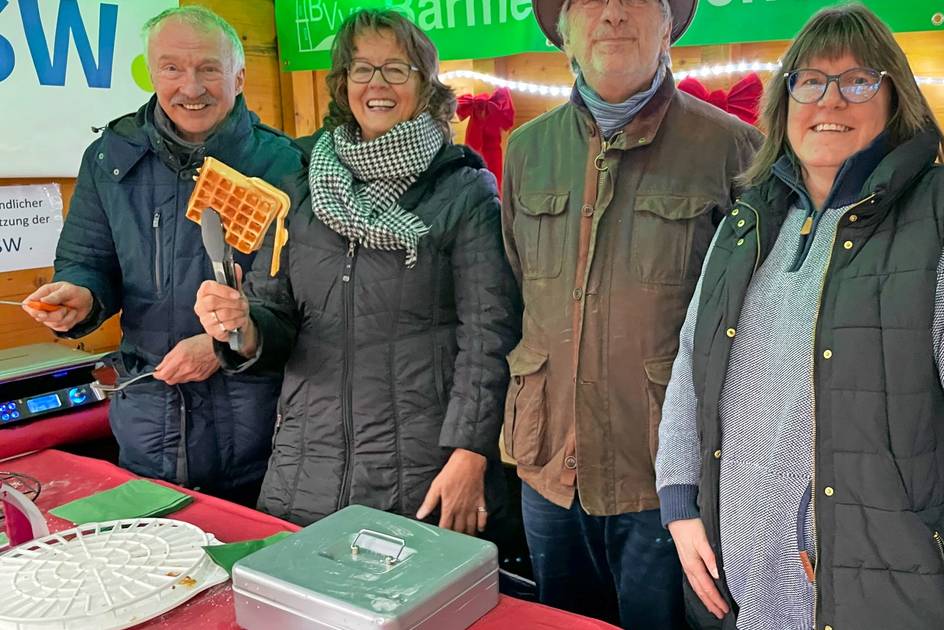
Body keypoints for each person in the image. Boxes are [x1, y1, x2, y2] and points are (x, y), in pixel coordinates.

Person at [656, 5, 944, 629]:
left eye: (858, 81)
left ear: (896, 99)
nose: (831, 100)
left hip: (884, 597)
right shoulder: (749, 222)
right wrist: (681, 500)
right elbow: (694, 361)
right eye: (810, 81)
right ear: (783, 101)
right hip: (742, 590)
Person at [193, 8, 519, 532]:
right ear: (343, 84)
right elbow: (275, 311)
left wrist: (470, 453)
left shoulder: (462, 191)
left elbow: (489, 338)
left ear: (425, 84)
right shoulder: (303, 185)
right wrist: (243, 327)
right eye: (361, 69)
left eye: (397, 69)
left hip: (421, 474)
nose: (377, 84)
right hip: (304, 471)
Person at [500, 0, 760, 625]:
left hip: (664, 477)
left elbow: (754, 323)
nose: (613, 12)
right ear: (564, 35)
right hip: (548, 465)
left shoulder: (734, 149)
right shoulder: (525, 151)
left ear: (668, 26)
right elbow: (519, 291)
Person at [22, 6, 301, 505]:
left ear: (239, 76)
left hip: (260, 427)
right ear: (152, 73)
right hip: (149, 416)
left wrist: (220, 346)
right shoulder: (110, 158)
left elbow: (302, 302)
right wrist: (79, 298)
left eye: (208, 69)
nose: (190, 88)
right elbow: (87, 260)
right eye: (172, 68)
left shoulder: (283, 166)